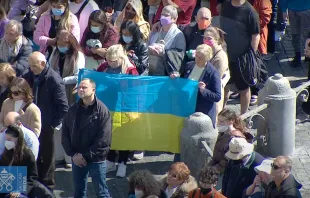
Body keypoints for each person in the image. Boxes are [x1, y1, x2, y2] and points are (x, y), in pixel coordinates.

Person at [23, 51, 68, 190]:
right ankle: (31, 185)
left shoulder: (54, 79)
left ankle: (47, 188)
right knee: (28, 154)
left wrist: (52, 125)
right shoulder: (30, 75)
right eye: (30, 66)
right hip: (29, 122)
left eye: (34, 66)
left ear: (43, 64)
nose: (31, 69)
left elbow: (63, 106)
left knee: (46, 157)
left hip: (45, 124)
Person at [62, 78, 112, 197]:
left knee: (102, 192)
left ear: (93, 90)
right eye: (79, 87)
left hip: (96, 159)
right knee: (79, 192)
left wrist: (85, 156)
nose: (80, 89)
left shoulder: (102, 111)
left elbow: (104, 139)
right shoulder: (73, 109)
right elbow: (65, 133)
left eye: (84, 87)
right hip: (77, 158)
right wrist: (73, 154)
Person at [97, 45, 138, 177]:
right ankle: (110, 160)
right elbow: (96, 79)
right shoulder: (104, 67)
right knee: (108, 133)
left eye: (113, 61)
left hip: (124, 106)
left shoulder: (130, 70)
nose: (110, 63)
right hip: (107, 106)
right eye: (108, 60)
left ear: (121, 58)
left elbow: (135, 89)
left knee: (123, 134)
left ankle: (122, 163)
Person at [220, 0, 260, 115]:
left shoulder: (250, 12)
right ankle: (221, 112)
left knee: (244, 88)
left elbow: (255, 35)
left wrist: (251, 56)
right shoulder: (226, 6)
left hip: (242, 58)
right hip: (225, 56)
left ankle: (244, 116)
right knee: (225, 85)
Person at [210, 109, 252, 189]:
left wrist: (215, 168)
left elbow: (228, 159)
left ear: (230, 122)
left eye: (222, 121)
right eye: (218, 120)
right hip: (219, 168)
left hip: (225, 172)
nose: (218, 123)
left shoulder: (235, 138)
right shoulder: (223, 132)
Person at [182, 44, 221, 127]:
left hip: (202, 112)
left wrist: (204, 90)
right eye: (196, 56)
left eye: (201, 58)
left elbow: (217, 96)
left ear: (207, 59)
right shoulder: (189, 65)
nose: (197, 59)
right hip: (188, 108)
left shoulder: (213, 73)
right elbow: (182, 81)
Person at [0, 125, 38, 198]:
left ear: (17, 139)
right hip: (7, 184)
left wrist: (19, 190)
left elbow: (32, 177)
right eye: (6, 139)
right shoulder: (7, 152)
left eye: (9, 139)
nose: (7, 142)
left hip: (21, 187)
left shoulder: (27, 155)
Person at [49, 29, 85, 105]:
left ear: (70, 44)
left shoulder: (78, 56)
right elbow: (50, 68)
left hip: (69, 91)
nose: (60, 47)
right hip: (54, 88)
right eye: (59, 45)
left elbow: (78, 76)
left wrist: (62, 81)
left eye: (63, 45)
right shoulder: (55, 51)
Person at [148, 5, 186, 76]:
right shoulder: (156, 30)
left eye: (166, 15)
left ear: (174, 19)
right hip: (151, 68)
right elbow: (148, 45)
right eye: (162, 14)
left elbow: (180, 56)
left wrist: (164, 52)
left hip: (166, 73)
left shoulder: (178, 35)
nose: (163, 17)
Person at [204, 26, 230, 121]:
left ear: (216, 40)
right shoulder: (209, 51)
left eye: (209, 38)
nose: (206, 40)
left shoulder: (220, 57)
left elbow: (215, 78)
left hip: (213, 93)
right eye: (204, 38)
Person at [279, 0, 310, 67]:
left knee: (307, 35)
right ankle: (297, 55)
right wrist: (284, 9)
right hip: (292, 10)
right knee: (295, 34)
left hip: (307, 9)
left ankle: (308, 54)